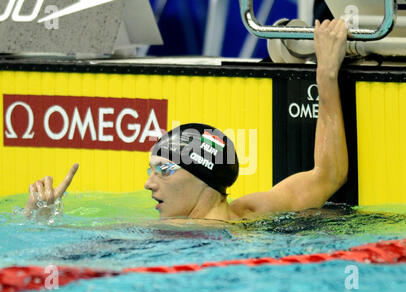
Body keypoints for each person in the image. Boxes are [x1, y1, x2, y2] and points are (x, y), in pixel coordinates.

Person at [24, 19, 349, 222]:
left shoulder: (227, 218)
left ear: (205, 177)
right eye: (151, 171)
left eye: (163, 170)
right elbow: (329, 176)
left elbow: (328, 175)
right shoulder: (242, 216)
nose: (149, 183)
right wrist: (40, 217)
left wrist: (326, 71)